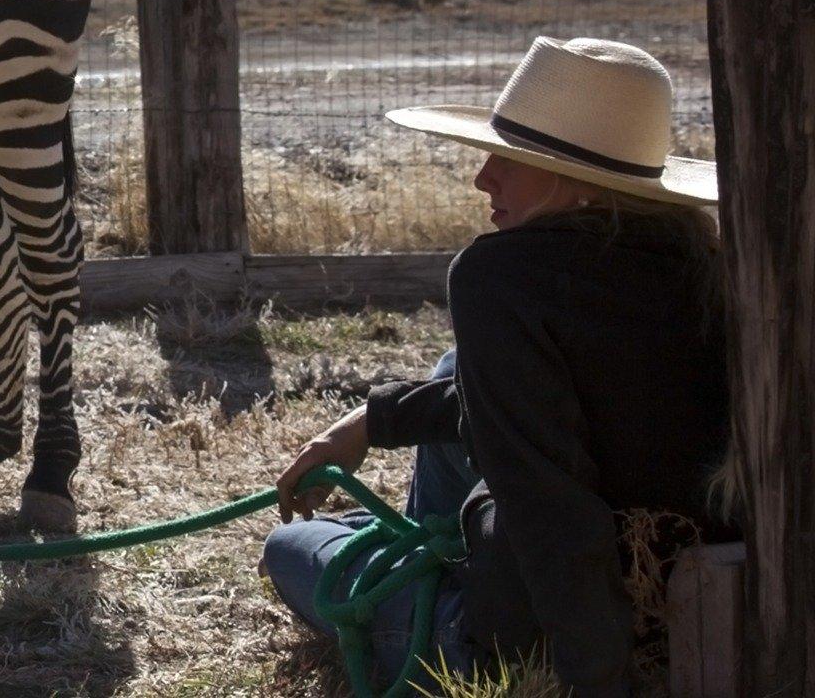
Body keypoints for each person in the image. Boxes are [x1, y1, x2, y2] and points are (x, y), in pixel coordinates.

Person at [261, 37, 733, 697]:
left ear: (575, 180)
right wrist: (377, 417)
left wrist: (597, 683)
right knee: (457, 365)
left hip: (544, 636)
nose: (484, 177)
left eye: (508, 160)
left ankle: (431, 574)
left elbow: (552, 505)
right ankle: (434, 545)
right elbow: (551, 403)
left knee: (291, 550)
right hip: (689, 585)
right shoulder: (702, 267)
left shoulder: (501, 278)